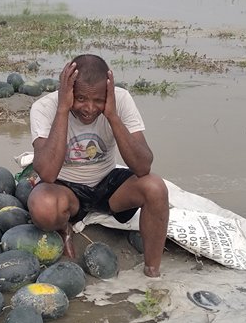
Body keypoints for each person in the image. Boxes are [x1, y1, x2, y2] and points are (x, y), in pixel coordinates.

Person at [27, 53, 169, 277]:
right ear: (68, 89)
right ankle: (65, 227)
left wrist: (112, 115)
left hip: (107, 184)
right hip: (65, 187)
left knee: (156, 187)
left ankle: (152, 272)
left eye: (98, 100)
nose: (90, 108)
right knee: (43, 206)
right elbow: (47, 173)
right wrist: (63, 109)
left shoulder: (120, 99)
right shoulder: (45, 107)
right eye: (81, 98)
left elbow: (143, 166)